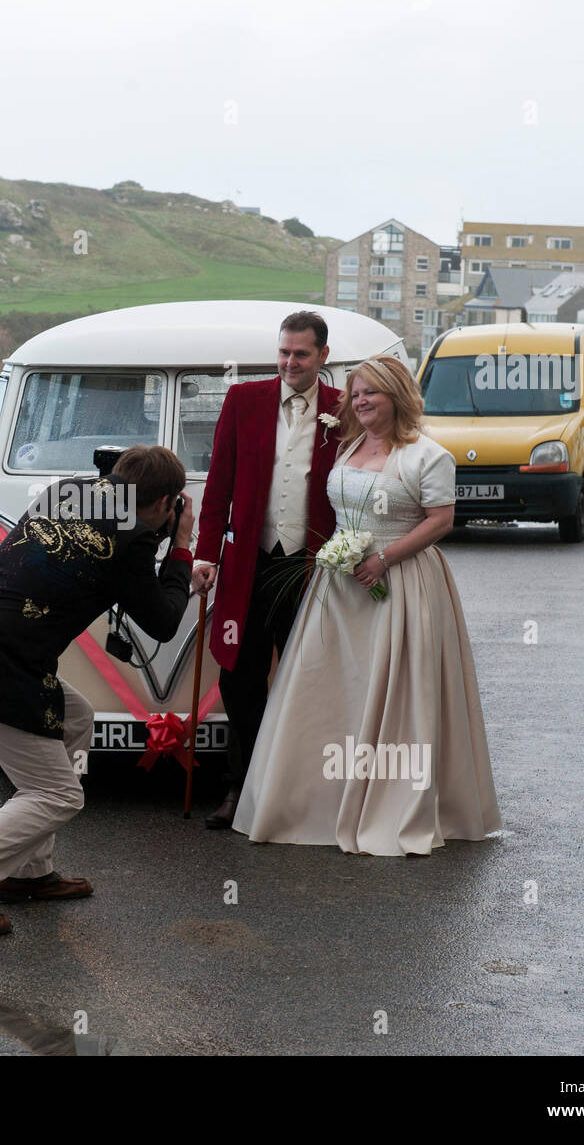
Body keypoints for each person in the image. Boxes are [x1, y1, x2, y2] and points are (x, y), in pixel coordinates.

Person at [0, 445, 193, 936]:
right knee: (59, 795)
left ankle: (28, 872)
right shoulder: (133, 539)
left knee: (75, 717)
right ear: (167, 501)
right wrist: (181, 547)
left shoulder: (68, 491)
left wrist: (158, 539)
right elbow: (163, 622)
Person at [233, 355, 501, 855]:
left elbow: (441, 520)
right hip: (337, 587)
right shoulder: (349, 445)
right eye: (356, 394)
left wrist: (384, 558)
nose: (360, 402)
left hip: (401, 584)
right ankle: (319, 801)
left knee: (399, 690)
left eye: (371, 392)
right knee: (330, 689)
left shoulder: (428, 455)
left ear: (396, 395)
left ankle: (393, 803)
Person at [190, 311, 343, 830]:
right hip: (250, 563)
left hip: (311, 566)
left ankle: (303, 788)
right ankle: (242, 786)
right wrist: (206, 554)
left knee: (309, 676)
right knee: (240, 676)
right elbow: (219, 484)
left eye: (301, 353)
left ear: (323, 356)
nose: (289, 362)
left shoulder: (343, 408)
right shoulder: (243, 400)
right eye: (283, 351)